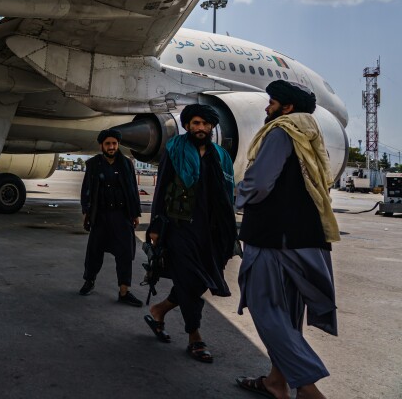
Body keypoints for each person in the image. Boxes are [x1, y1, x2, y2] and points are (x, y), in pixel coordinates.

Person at [235, 81, 339, 399]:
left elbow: (260, 183)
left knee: (265, 308)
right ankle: (275, 382)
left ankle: (308, 388)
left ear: (287, 108)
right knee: (289, 314)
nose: (267, 108)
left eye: (272, 102)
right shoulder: (311, 133)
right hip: (306, 237)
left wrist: (235, 195)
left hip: (273, 238)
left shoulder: (281, 130)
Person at [143, 104, 237, 363]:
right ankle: (194, 336)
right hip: (180, 226)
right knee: (188, 277)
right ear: (186, 126)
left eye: (206, 124)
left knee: (202, 279)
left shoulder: (220, 156)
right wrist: (154, 227)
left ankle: (159, 310)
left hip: (212, 229)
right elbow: (161, 190)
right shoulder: (175, 151)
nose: (201, 128)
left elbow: (227, 195)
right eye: (196, 123)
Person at [79, 129, 143, 306]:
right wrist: (86, 211)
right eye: (108, 144)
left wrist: (135, 213)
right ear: (102, 145)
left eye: (114, 143)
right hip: (100, 216)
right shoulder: (93, 164)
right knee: (94, 252)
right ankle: (89, 281)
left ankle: (124, 291)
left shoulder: (126, 164)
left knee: (124, 253)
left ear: (118, 145)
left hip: (122, 216)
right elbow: (86, 189)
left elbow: (133, 190)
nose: (112, 147)